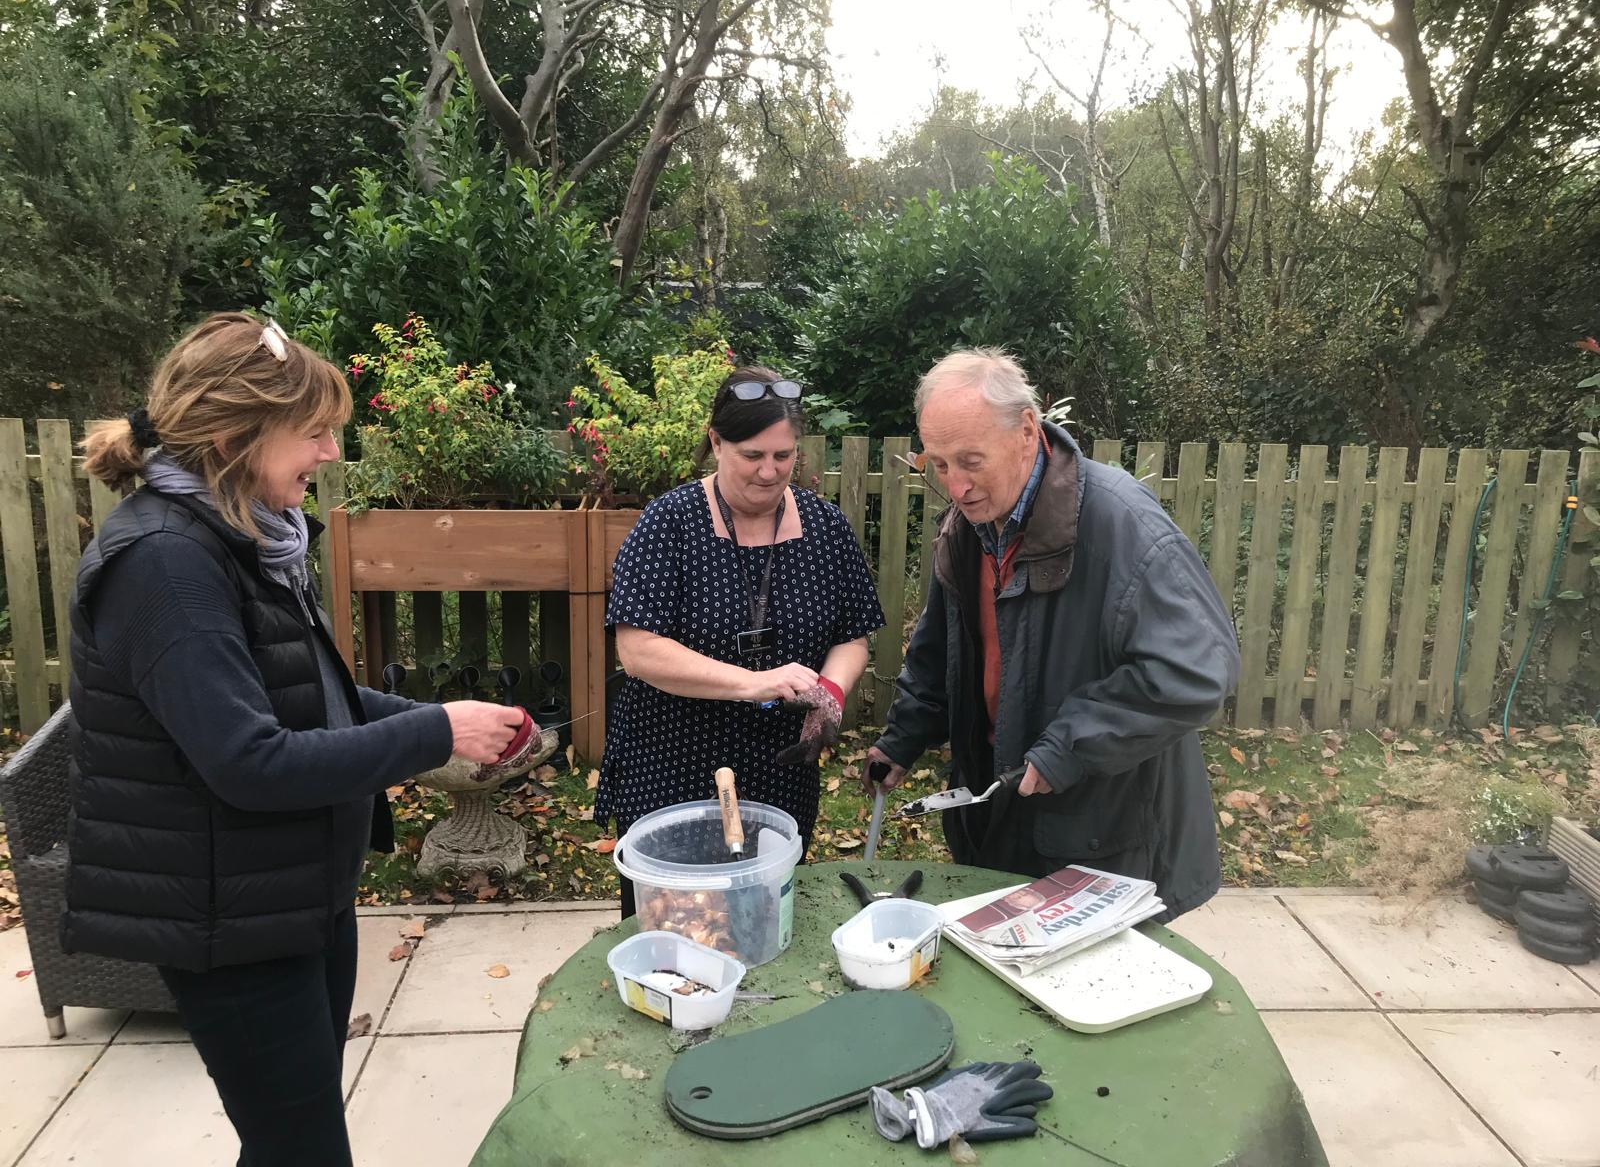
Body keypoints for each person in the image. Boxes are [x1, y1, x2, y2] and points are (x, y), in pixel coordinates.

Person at [63, 313, 531, 1167]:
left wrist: (429, 720)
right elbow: (249, 760)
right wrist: (433, 732)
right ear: (237, 434)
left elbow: (300, 692)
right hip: (228, 922)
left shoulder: (241, 538)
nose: (327, 455)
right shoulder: (166, 564)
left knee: (288, 1144)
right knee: (302, 1151)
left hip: (290, 897)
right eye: (313, 434)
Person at [867, 349, 1239, 920]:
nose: (956, 486)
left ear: (1025, 431)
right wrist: (901, 740)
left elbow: (1195, 671)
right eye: (938, 464)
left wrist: (1070, 745)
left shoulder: (1121, 524)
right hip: (998, 812)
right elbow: (943, 652)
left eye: (970, 461)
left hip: (1106, 836)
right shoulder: (971, 524)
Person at [598, 365, 885, 918]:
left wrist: (830, 692)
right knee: (677, 930)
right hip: (672, 763)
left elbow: (853, 638)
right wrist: (753, 683)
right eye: (752, 456)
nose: (769, 471)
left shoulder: (826, 529)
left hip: (780, 768)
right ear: (716, 443)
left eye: (783, 455)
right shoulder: (669, 523)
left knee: (762, 922)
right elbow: (637, 651)